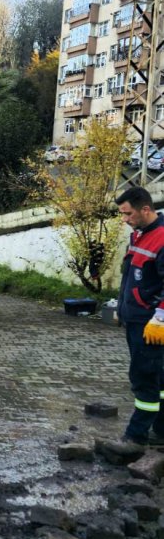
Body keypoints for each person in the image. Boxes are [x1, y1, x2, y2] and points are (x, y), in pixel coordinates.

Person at [116, 186, 164, 446]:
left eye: (128, 214)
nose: (125, 220)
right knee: (159, 376)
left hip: (151, 324)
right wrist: (122, 309)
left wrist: (160, 318)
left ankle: (135, 437)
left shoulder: (162, 238)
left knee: (143, 376)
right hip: (136, 319)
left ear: (145, 209)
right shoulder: (140, 234)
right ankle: (162, 429)